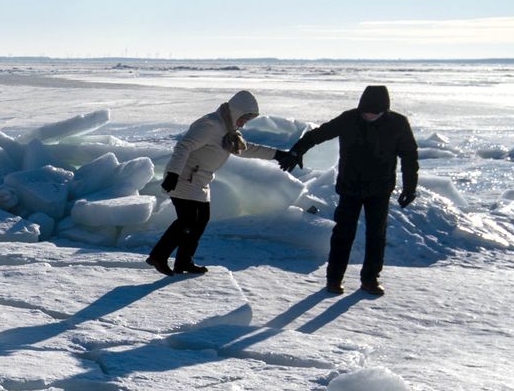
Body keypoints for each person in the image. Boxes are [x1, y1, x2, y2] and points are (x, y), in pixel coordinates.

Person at [278, 85, 418, 296]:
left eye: (375, 113)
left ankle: (370, 279)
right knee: (343, 234)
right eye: (366, 112)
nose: (369, 116)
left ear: (385, 110)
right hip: (350, 187)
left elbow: (409, 156)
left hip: (380, 189)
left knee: (376, 235)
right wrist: (297, 150)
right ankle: (334, 279)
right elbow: (318, 134)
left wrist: (410, 186)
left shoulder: (397, 123)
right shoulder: (349, 119)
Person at [146, 90, 298, 276]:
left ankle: (184, 262)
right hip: (183, 179)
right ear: (236, 111)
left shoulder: (229, 131)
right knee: (187, 221)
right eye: (244, 117)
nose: (244, 123)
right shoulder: (211, 125)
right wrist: (173, 174)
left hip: (200, 180)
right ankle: (158, 256)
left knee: (200, 221)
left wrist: (278, 154)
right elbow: (183, 146)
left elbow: (246, 149)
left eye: (248, 120)